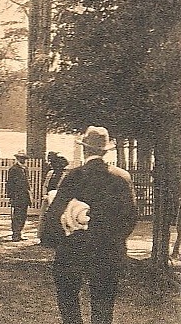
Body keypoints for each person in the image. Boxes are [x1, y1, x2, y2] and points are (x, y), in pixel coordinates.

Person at [43, 126, 137, 324]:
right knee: (103, 306)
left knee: (68, 299)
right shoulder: (121, 178)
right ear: (104, 151)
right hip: (108, 252)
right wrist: (113, 239)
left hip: (73, 251)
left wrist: (59, 238)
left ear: (85, 150)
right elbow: (130, 219)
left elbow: (54, 215)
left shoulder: (73, 177)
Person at [6, 150, 32, 241]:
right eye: (21, 158)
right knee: (17, 215)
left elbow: (27, 183)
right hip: (17, 195)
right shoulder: (13, 169)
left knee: (23, 215)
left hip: (25, 195)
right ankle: (15, 234)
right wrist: (10, 196)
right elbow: (9, 183)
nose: (23, 160)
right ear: (17, 158)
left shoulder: (25, 169)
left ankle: (19, 232)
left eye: (24, 158)